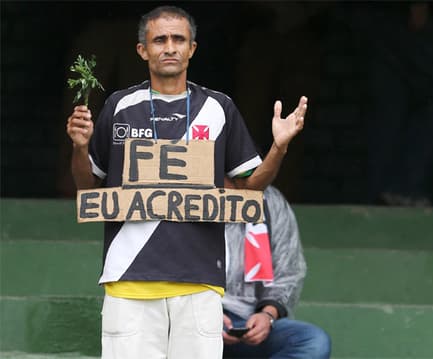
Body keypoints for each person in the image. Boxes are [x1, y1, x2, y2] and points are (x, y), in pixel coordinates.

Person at [65, 5, 307, 359]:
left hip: (199, 282)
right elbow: (89, 191)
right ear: (142, 50)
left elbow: (250, 191)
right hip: (128, 281)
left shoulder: (219, 108)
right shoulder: (119, 106)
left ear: (192, 49)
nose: (170, 47)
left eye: (179, 39)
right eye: (159, 39)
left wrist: (278, 148)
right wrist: (79, 148)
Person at [353, 2, 433, 206]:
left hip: (387, 16)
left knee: (388, 106)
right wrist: (417, 6)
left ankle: (384, 193)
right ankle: (399, 187)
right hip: (409, 17)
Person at [222, 183, 331, 358]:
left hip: (245, 321)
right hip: (187, 320)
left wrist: (267, 315)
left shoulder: (270, 199)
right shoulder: (181, 196)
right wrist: (202, 315)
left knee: (312, 341)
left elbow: (287, 271)